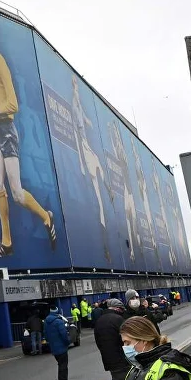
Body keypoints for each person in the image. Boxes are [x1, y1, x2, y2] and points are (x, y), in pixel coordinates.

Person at [0, 13, 57, 257]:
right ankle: (7, 241)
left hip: (7, 130)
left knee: (18, 194)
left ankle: (46, 217)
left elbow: (13, 103)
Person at [70, 76, 111, 262]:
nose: (76, 89)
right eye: (74, 85)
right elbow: (76, 135)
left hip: (88, 149)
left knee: (100, 168)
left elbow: (84, 118)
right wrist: (80, 162)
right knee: (99, 202)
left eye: (77, 85)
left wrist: (87, 121)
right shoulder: (73, 106)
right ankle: (104, 244)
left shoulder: (78, 105)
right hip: (85, 151)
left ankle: (108, 189)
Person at [94, 298, 130, 380]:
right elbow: (128, 338)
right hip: (123, 359)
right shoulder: (118, 319)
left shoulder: (99, 320)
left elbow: (98, 341)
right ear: (117, 308)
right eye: (122, 310)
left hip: (109, 361)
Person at [43, 304, 71, 380]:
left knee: (60, 365)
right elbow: (64, 335)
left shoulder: (46, 322)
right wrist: (67, 342)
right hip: (62, 347)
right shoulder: (59, 321)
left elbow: (46, 335)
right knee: (63, 367)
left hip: (54, 348)